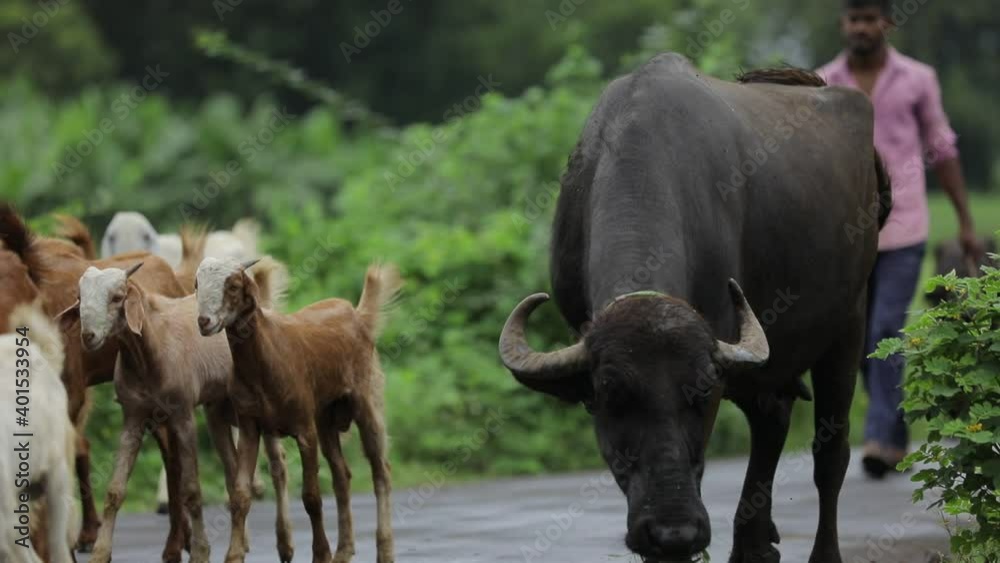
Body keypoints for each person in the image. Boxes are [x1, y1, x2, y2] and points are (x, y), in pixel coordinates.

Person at [817, 0, 983, 478]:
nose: (862, 27)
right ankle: (893, 431)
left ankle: (876, 438)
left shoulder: (917, 78)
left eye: (871, 18)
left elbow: (942, 147)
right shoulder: (824, 82)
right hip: (846, 233)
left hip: (904, 227)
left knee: (885, 329)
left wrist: (965, 221)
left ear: (887, 23)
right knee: (860, 342)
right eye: (854, 18)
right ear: (844, 24)